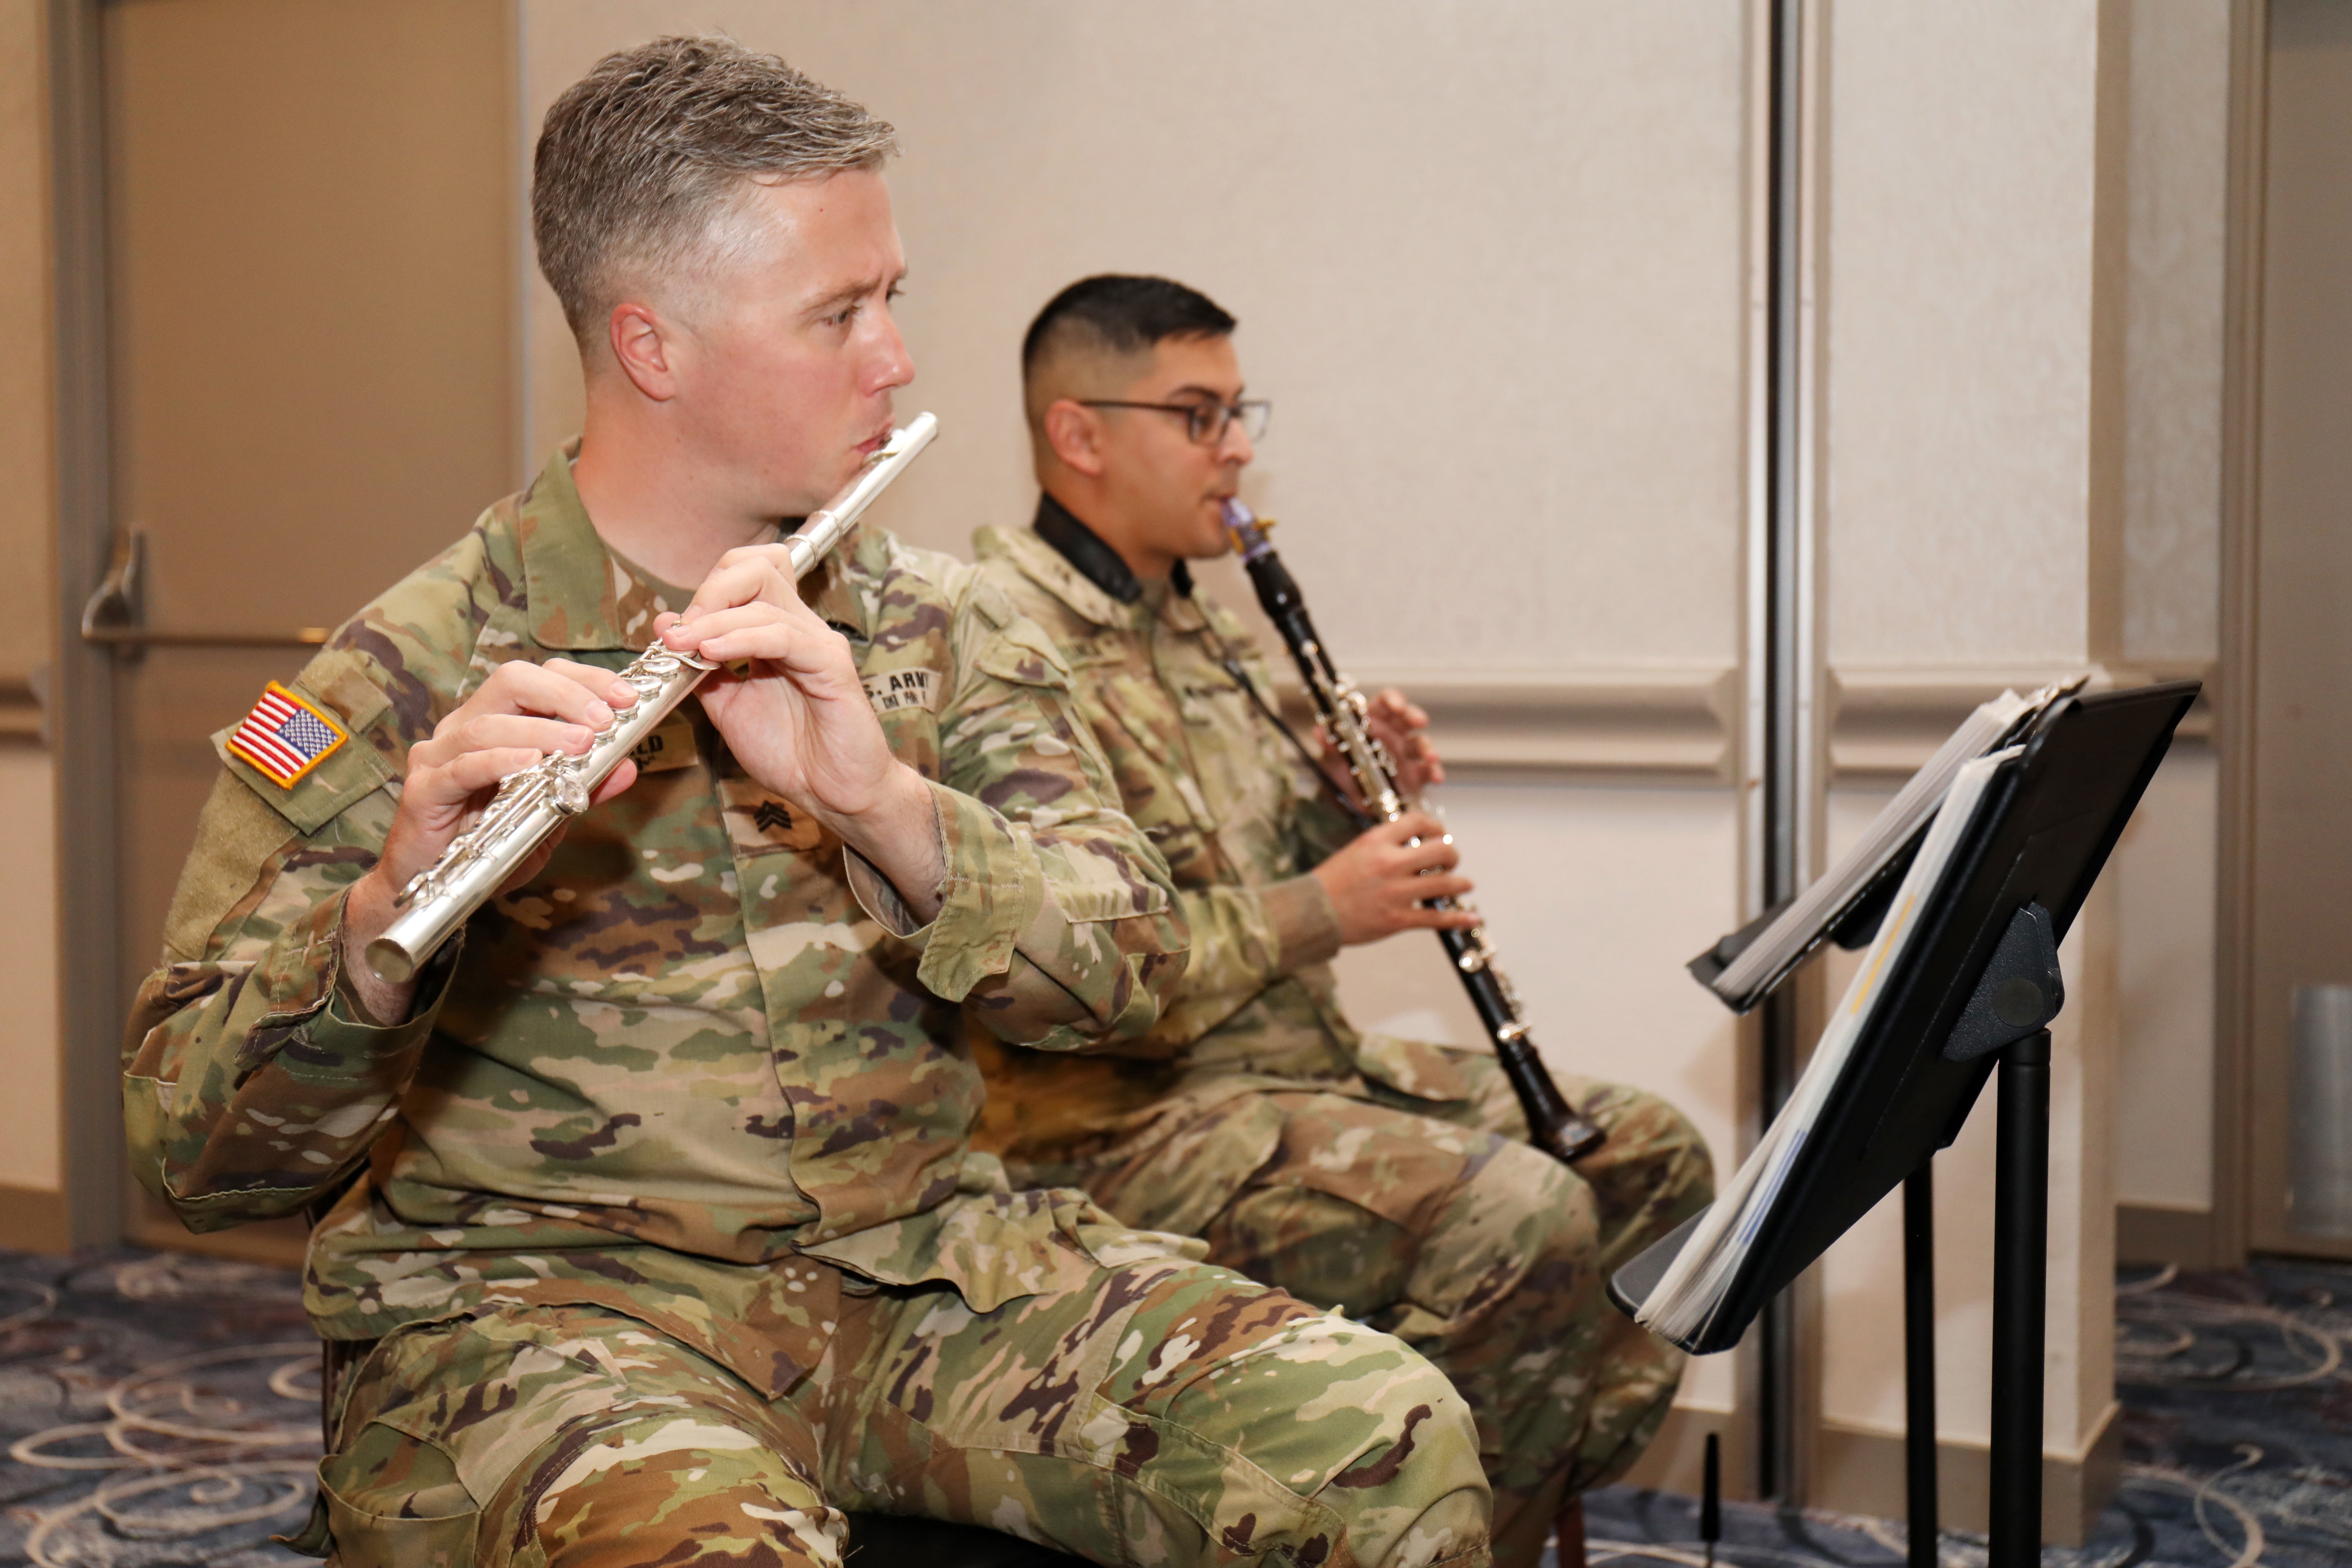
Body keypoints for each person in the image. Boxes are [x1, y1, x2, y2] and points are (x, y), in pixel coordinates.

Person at [120, 48, 1490, 1568]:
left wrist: (893, 810)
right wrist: (381, 934)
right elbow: (192, 1158)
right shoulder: (401, 673)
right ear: (655, 348)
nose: (897, 359)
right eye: (841, 315)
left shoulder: (948, 627)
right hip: (551, 1312)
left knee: (1376, 1429)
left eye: (891, 296)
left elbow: (1139, 973)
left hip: (924, 1273)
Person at [967, 275, 1714, 1568]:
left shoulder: (1204, 629)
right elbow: (1073, 968)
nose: (1240, 446)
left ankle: (1451, 1522)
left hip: (1293, 1074)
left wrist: (1341, 802)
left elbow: (1248, 865)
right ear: (1081, 434)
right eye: (1199, 415)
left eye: (1239, 411)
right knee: (1521, 1214)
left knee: (1655, 1162)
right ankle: (1373, 1514)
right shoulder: (1001, 639)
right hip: (1116, 1124)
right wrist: (1327, 902)